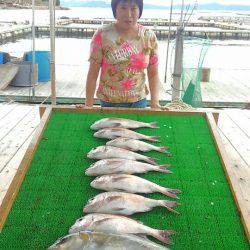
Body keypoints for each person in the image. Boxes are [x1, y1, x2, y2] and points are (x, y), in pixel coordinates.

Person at [84, 0, 163, 109]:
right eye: (123, 8)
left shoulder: (148, 36)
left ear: (139, 11)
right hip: (109, 102)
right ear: (115, 10)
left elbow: (153, 73)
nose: (129, 14)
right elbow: (93, 73)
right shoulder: (102, 35)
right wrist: (88, 106)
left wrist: (155, 103)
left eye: (134, 8)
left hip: (139, 102)